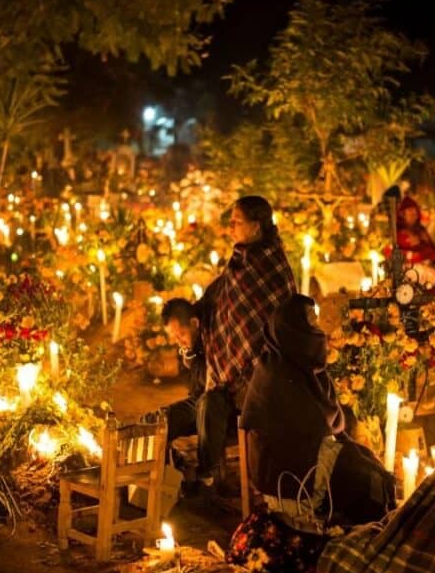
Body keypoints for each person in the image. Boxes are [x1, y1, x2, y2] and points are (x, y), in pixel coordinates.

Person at [240, 295, 395, 528]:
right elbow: (310, 429)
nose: (317, 330)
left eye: (315, 321)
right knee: (366, 481)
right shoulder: (276, 374)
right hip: (290, 469)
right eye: (310, 323)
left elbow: (327, 426)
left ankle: (375, 533)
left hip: (315, 451)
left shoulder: (300, 363)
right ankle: (364, 540)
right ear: (293, 330)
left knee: (374, 467)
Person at [227, 460, 435, 573]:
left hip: (360, 543)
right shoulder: (274, 544)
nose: (307, 520)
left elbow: (388, 527)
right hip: (352, 557)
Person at [202, 195, 296, 411]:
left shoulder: (272, 264)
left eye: (237, 221)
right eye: (230, 221)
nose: (231, 226)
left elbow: (274, 318)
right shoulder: (239, 259)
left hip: (264, 370)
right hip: (235, 363)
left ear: (255, 227)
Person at [162, 298, 234, 493]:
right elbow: (193, 384)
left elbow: (217, 380)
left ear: (194, 323)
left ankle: (206, 479)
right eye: (174, 337)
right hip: (199, 400)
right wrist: (189, 356)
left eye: (182, 334)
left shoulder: (215, 337)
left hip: (223, 402)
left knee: (207, 403)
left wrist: (194, 358)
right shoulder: (188, 348)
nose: (179, 341)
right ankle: (162, 475)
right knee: (161, 419)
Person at [395, 195, 435, 264]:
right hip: (406, 268)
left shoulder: (420, 230)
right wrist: (411, 255)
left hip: (425, 266)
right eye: (410, 212)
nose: (414, 215)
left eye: (415, 213)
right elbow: (391, 251)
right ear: (402, 214)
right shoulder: (397, 231)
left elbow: (433, 251)